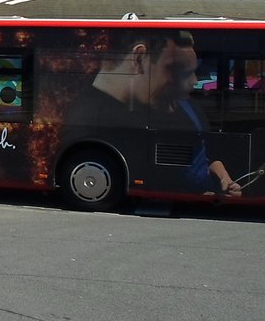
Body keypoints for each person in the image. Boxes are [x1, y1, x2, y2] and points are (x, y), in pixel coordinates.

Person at [75, 30, 241, 197]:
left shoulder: (184, 106)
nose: (194, 81)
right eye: (176, 70)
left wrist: (223, 178)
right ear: (139, 59)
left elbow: (205, 155)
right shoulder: (90, 115)